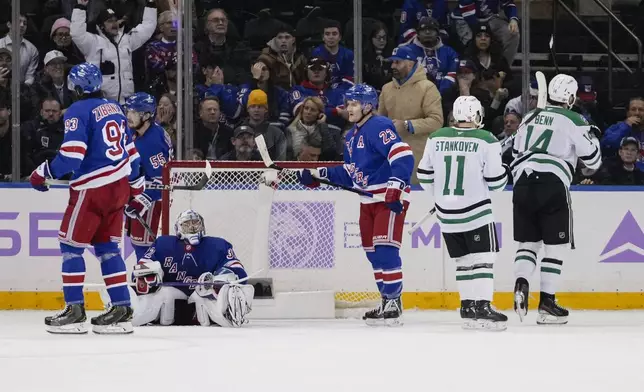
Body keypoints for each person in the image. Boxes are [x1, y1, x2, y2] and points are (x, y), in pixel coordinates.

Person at [267, 84, 414, 326]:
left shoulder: (378, 126)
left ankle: (393, 301)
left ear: (368, 106)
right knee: (373, 253)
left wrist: (396, 187)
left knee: (386, 249)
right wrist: (318, 174)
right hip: (368, 199)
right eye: (348, 103)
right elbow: (350, 173)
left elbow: (402, 154)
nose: (348, 108)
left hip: (388, 198)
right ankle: (386, 299)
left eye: (354, 103)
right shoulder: (352, 135)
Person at [28, 63, 144, 334]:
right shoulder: (115, 107)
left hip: (92, 189)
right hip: (119, 187)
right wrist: (136, 190)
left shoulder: (78, 110)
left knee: (71, 248)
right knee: (108, 250)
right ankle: (121, 307)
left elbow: (71, 156)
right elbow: (132, 154)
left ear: (76, 87)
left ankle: (75, 309)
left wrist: (42, 173)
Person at [510, 74, 602, 325]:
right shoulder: (574, 119)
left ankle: (521, 282)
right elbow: (593, 161)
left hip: (523, 183)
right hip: (552, 183)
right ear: (571, 98)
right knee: (555, 246)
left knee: (528, 244)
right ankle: (547, 303)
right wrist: (591, 138)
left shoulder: (528, 117)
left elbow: (517, 153)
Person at [417, 96, 509, 330]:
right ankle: (483, 306)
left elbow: (425, 175)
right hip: (476, 212)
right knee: (484, 259)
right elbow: (497, 184)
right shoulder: (487, 139)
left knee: (463, 261)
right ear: (476, 115)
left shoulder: (436, 137)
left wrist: (442, 198)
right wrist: (504, 170)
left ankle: (467, 306)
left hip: (446, 215)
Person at [124, 210, 254, 327]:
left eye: (195, 224)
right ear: (178, 228)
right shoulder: (163, 244)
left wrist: (218, 280)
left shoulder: (218, 245)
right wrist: (152, 273)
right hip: (171, 294)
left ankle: (227, 315)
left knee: (217, 292)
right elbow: (139, 270)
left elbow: (239, 273)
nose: (192, 228)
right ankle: (129, 312)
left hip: (205, 295)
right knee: (161, 296)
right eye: (187, 225)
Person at [123, 92, 173, 261]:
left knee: (146, 252)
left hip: (151, 204)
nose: (128, 116)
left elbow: (162, 181)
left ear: (145, 116)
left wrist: (140, 202)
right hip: (139, 197)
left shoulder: (153, 142)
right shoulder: (138, 132)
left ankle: (148, 283)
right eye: (128, 111)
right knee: (139, 247)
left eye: (133, 112)